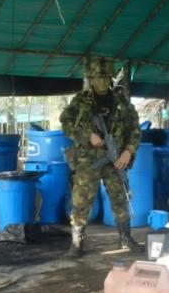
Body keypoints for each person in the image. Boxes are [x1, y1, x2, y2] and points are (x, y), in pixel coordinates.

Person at [60, 57, 143, 258]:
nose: (102, 81)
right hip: (89, 160)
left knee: (120, 196)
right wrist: (87, 136)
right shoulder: (81, 101)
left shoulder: (121, 101)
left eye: (106, 76)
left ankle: (125, 237)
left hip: (115, 159)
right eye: (98, 76)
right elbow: (66, 123)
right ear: (91, 77)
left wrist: (128, 151)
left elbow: (135, 128)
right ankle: (77, 243)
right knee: (81, 200)